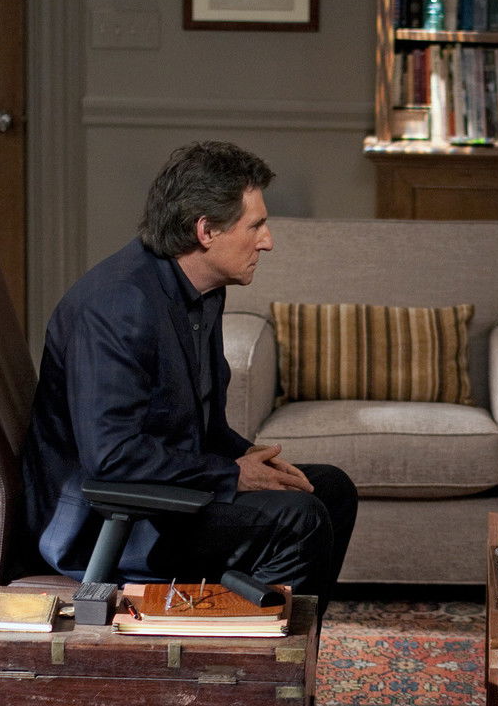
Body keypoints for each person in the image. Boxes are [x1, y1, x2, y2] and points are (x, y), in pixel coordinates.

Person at [21, 141, 357, 615]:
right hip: (109, 520)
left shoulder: (203, 291)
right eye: (256, 225)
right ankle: (244, 653)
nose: (268, 241)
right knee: (299, 521)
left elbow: (198, 425)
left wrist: (247, 456)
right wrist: (232, 475)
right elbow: (112, 458)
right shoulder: (119, 306)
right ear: (206, 231)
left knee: (330, 490)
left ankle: (275, 651)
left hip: (163, 490)